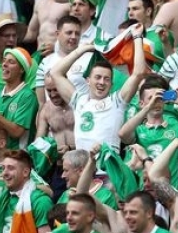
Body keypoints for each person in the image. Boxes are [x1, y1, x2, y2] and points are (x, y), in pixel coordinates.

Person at [50, 24, 146, 152]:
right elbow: (55, 73)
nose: (102, 82)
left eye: (106, 79)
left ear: (111, 85)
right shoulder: (79, 101)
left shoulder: (117, 102)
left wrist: (138, 37)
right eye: (98, 77)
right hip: (81, 167)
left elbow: (138, 73)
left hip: (106, 168)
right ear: (88, 81)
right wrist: (81, 50)